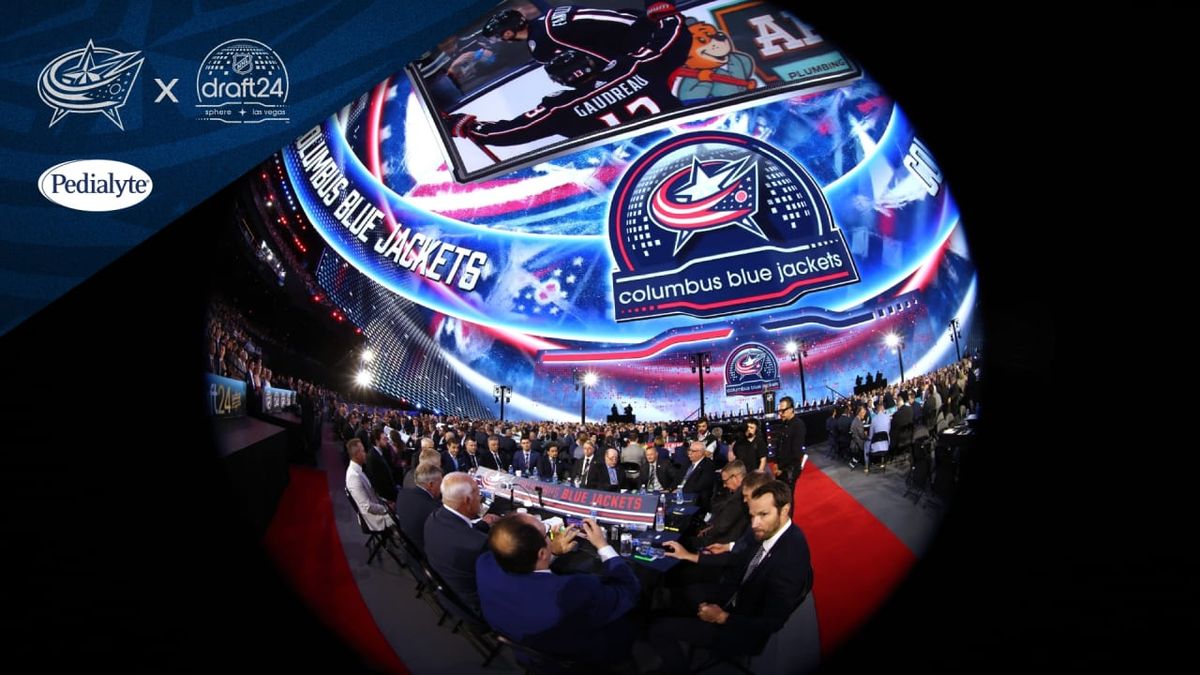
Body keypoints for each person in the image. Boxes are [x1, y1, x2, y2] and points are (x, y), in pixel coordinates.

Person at [652, 481, 813, 672]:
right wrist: (688, 555)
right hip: (736, 597)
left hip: (741, 628)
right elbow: (736, 559)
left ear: (785, 509)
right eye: (752, 516)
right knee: (681, 594)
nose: (755, 524)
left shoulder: (791, 558)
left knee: (657, 629)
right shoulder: (768, 532)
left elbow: (772, 622)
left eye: (763, 515)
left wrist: (722, 617)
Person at [476, 514, 640, 667]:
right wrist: (603, 545)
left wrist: (551, 552)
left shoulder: (484, 562)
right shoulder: (575, 591)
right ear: (541, 553)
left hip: (525, 653)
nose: (549, 536)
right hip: (578, 660)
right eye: (547, 533)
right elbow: (629, 590)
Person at [423, 472, 500, 612]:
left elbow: (459, 532)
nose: (481, 498)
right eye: (478, 494)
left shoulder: (433, 518)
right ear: (467, 500)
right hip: (479, 605)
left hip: (451, 594)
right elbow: (502, 579)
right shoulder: (479, 545)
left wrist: (483, 524)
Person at [345, 438, 391, 532]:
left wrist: (386, 502)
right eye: (363, 451)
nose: (365, 454)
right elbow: (368, 507)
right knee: (402, 517)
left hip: (376, 507)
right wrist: (386, 508)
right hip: (373, 518)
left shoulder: (358, 470)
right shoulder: (353, 477)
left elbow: (372, 493)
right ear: (357, 455)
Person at [394, 463, 444, 550]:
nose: (442, 487)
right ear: (431, 485)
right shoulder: (435, 510)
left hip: (411, 546)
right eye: (441, 482)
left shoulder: (403, 493)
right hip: (427, 550)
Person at [775, 396, 806, 489]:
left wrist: (781, 468)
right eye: (779, 411)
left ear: (791, 409)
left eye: (783, 411)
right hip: (780, 468)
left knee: (787, 498)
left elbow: (796, 452)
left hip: (789, 470)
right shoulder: (783, 424)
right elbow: (779, 445)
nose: (780, 414)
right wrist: (776, 464)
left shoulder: (798, 425)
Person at [680, 440, 716, 512]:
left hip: (695, 498)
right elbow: (678, 479)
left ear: (700, 452)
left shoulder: (708, 465)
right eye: (689, 450)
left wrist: (680, 491)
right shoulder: (686, 463)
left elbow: (699, 486)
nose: (689, 453)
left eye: (692, 451)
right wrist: (670, 489)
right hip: (679, 495)